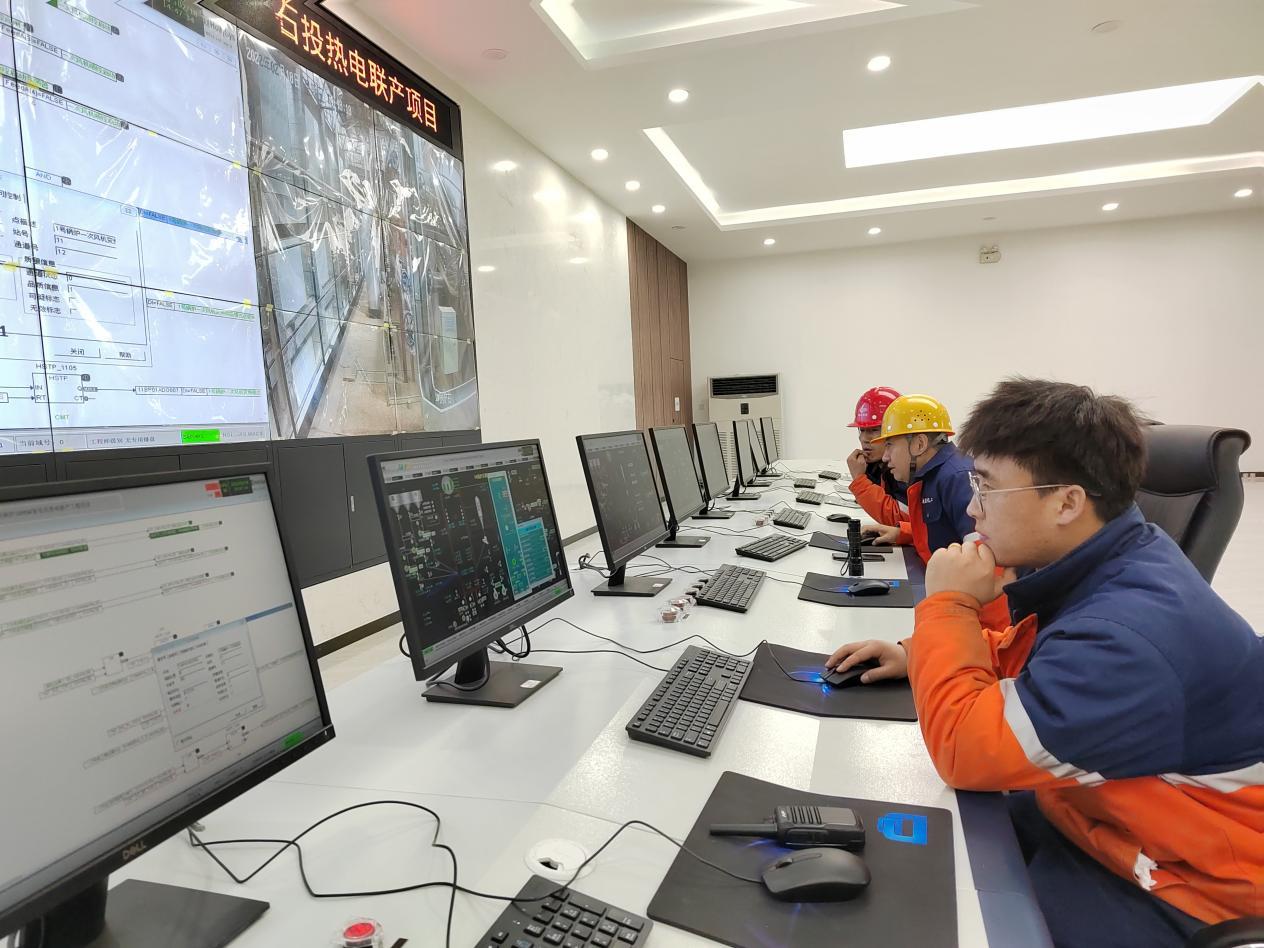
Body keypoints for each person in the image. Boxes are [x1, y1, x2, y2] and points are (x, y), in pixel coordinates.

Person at [827, 378, 1264, 948]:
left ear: (1066, 502)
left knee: (916, 911)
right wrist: (916, 653)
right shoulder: (1111, 561)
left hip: (1180, 884)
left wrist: (948, 606)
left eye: (986, 487)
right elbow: (1034, 653)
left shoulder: (1128, 636)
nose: (972, 507)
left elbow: (963, 752)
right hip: (1097, 815)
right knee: (900, 855)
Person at [864, 394, 975, 563]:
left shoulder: (958, 479)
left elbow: (986, 557)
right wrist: (903, 533)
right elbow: (946, 535)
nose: (885, 457)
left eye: (889, 445)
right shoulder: (931, 475)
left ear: (919, 444)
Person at [845, 386, 907, 528]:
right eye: (862, 430)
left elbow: (900, 520)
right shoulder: (877, 465)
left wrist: (859, 481)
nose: (864, 439)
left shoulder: (905, 467)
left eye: (873, 430)